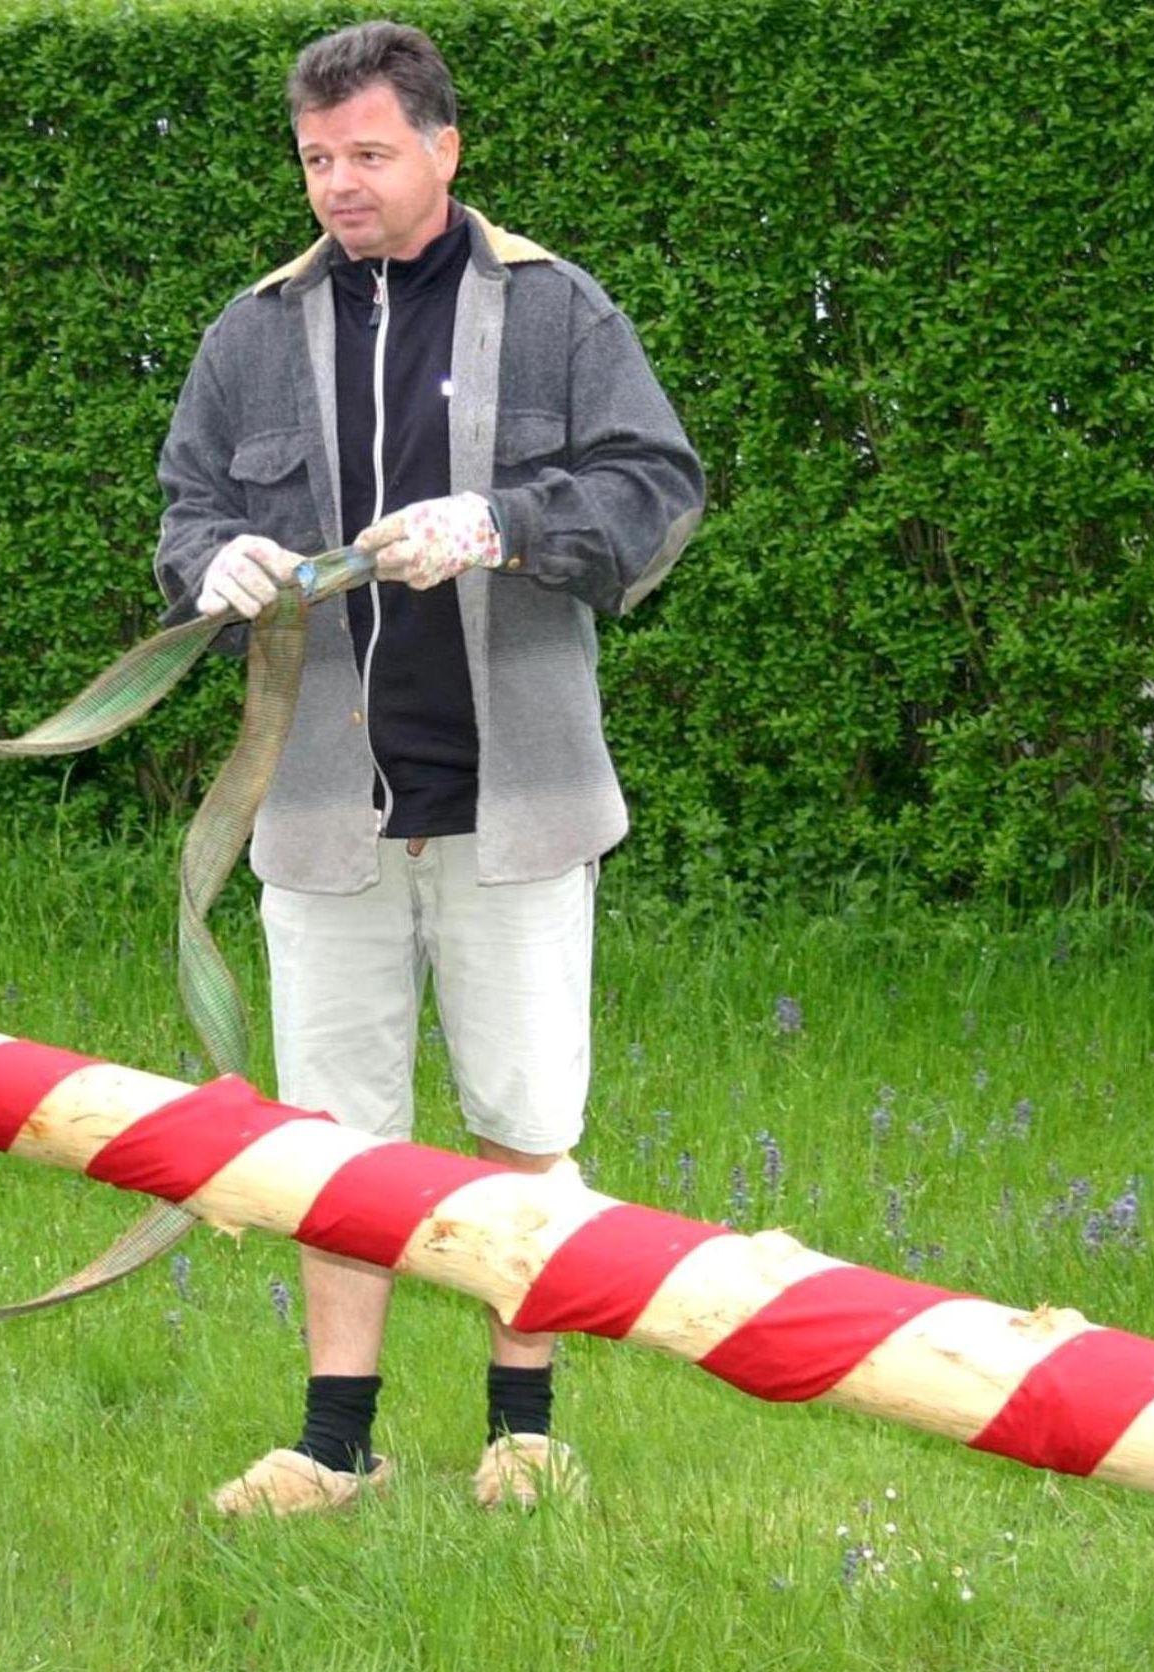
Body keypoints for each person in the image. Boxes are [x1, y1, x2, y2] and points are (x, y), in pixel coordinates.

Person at [154, 22, 705, 1516]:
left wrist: (510, 523)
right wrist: (218, 560)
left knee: (521, 1118)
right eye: (317, 157)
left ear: (444, 150)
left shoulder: (555, 308)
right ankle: (336, 1444)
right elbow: (184, 509)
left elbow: (657, 489)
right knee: (333, 1143)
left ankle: (522, 1432)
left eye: (369, 154)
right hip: (320, 814)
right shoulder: (249, 334)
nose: (338, 184)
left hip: (516, 809)